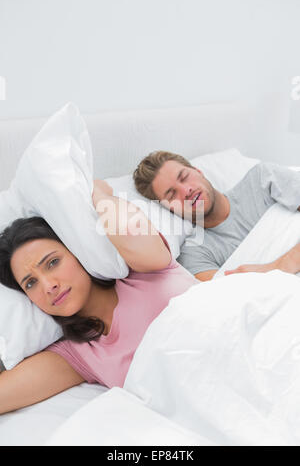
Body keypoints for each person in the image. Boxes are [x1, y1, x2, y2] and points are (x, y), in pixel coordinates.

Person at [0, 179, 198, 415]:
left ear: (78, 250)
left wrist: (100, 194)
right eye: (30, 283)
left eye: (53, 262)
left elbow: (126, 227)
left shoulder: (145, 268)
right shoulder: (79, 353)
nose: (48, 286)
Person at [133, 151, 300, 281]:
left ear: (199, 172)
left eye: (184, 177)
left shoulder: (261, 180)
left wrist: (282, 265)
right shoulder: (195, 253)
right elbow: (225, 299)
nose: (186, 191)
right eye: (171, 194)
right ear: (168, 209)